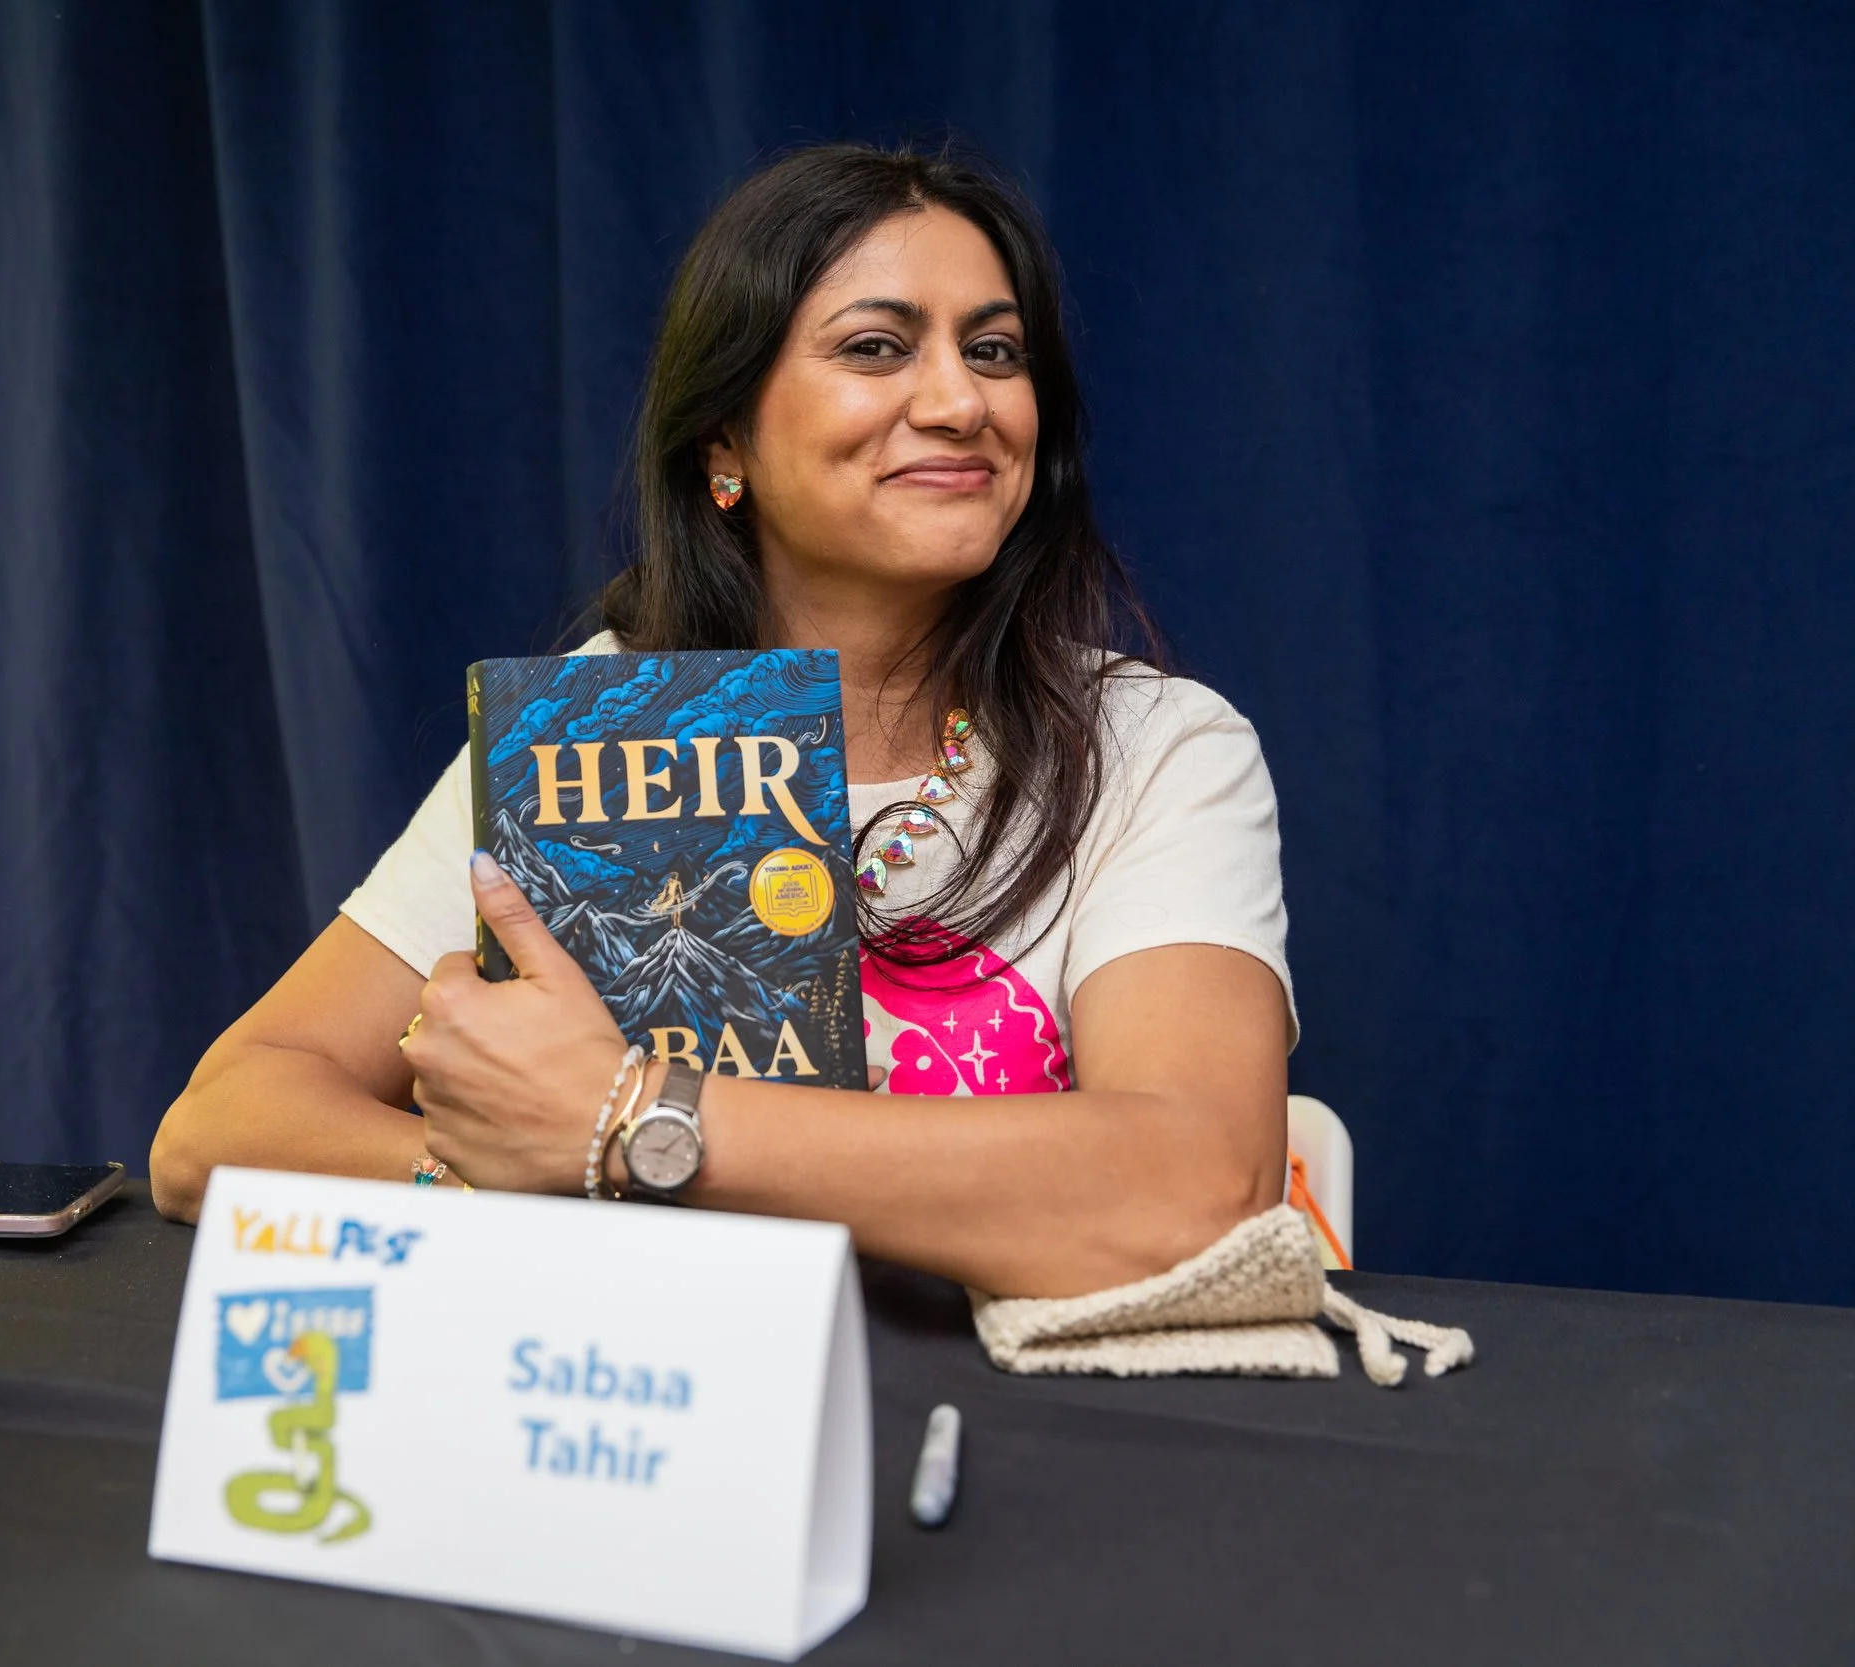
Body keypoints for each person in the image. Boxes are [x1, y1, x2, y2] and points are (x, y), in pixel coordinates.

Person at [151, 145, 1294, 1299]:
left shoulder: (1155, 747)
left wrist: (626, 1120)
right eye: (876, 347)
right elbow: (216, 1127)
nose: (962, 403)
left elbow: (1200, 1191)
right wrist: (507, 1179)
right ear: (725, 443)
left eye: (994, 351)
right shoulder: (593, 724)